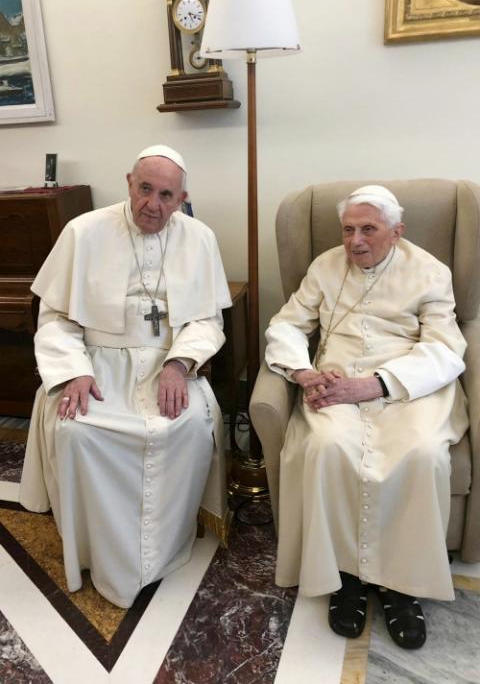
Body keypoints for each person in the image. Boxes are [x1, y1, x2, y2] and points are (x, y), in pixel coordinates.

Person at [19, 145, 232, 608]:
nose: (152, 205)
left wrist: (180, 364)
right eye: (145, 189)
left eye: (166, 195)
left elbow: (207, 321)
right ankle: (99, 553)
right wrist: (73, 371)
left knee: (189, 423)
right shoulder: (84, 231)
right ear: (129, 183)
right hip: (96, 363)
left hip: (167, 362)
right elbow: (54, 317)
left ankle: (162, 549)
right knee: (76, 432)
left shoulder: (199, 238)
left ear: (182, 199)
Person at [265, 185, 468, 649]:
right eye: (348, 229)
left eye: (368, 230)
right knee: (325, 446)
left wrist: (375, 384)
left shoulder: (430, 272)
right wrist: (302, 371)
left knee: (422, 454)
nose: (355, 241)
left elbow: (445, 347)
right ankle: (344, 576)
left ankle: (402, 586)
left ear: (396, 232)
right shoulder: (324, 267)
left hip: (408, 388)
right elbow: (287, 324)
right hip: (333, 384)